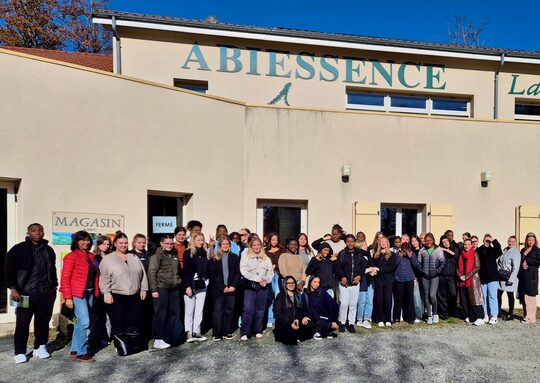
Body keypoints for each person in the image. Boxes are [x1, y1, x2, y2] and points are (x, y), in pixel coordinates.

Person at [5, 223, 58, 364]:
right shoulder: (19, 249)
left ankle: (40, 347)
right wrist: (13, 288)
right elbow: (8, 269)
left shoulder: (49, 250)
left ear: (44, 232)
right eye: (34, 230)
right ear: (28, 232)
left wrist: (54, 287)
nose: (38, 233)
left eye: (40, 230)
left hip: (46, 293)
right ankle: (20, 351)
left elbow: (52, 270)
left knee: (43, 321)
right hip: (25, 293)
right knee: (22, 322)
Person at [99, 232, 148, 338]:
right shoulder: (108, 259)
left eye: (125, 243)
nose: (123, 245)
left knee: (134, 320)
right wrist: (106, 293)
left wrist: (144, 289)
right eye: (120, 243)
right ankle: (120, 344)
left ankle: (133, 344)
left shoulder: (134, 257)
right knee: (119, 321)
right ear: (115, 244)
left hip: (135, 294)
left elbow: (142, 274)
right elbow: (104, 278)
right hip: (117, 295)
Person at [60, 230, 98, 362]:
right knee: (85, 321)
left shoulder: (91, 256)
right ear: (76, 242)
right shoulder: (71, 257)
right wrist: (68, 297)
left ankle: (75, 349)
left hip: (90, 292)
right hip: (78, 293)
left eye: (88, 240)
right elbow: (65, 278)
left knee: (81, 322)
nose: (86, 242)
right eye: (82, 240)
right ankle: (82, 352)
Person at [148, 235, 182, 349]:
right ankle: (158, 339)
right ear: (161, 244)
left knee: (174, 313)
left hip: (174, 289)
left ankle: (170, 336)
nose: (169, 245)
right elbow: (152, 272)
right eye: (166, 243)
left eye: (171, 243)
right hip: (161, 287)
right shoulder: (157, 256)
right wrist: (154, 290)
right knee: (161, 314)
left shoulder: (173, 255)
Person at [240, 237, 273, 341]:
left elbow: (270, 273)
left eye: (258, 245)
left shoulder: (266, 258)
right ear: (251, 246)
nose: (256, 247)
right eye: (254, 245)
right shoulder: (246, 257)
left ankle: (257, 330)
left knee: (260, 310)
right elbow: (244, 271)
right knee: (248, 309)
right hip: (251, 287)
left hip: (263, 287)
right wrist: (259, 279)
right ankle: (245, 332)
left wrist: (266, 280)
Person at [208, 237, 240, 341]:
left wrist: (233, 286)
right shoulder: (214, 258)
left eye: (227, 244)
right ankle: (217, 333)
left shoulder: (234, 257)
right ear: (219, 246)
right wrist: (223, 287)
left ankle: (227, 331)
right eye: (223, 244)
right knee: (218, 311)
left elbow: (237, 273)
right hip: (219, 289)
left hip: (231, 289)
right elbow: (212, 275)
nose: (225, 246)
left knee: (229, 310)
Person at [183, 233, 210, 342]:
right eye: (198, 240)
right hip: (191, 283)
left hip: (202, 283)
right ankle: (188, 333)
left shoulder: (204, 253)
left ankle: (197, 331)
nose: (200, 242)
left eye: (202, 240)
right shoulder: (188, 253)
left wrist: (206, 281)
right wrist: (187, 286)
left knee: (200, 309)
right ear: (193, 241)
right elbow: (186, 271)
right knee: (189, 309)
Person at [336, 234, 366, 333]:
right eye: (348, 241)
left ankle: (351, 323)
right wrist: (342, 277)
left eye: (352, 241)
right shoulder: (342, 253)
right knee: (344, 304)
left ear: (355, 242)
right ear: (345, 242)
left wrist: (359, 276)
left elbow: (363, 266)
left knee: (353, 304)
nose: (350, 243)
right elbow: (338, 267)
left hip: (355, 283)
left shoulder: (359, 253)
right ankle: (342, 322)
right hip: (344, 284)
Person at [88, 235, 111, 353]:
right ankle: (94, 339)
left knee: (108, 315)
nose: (106, 246)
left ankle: (105, 337)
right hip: (97, 289)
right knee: (97, 315)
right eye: (104, 244)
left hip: (109, 288)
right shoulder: (94, 257)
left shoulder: (111, 257)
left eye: (108, 244)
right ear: (98, 244)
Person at [272, 275, 311, 345]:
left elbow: (303, 309)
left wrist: (302, 317)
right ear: (285, 284)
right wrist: (290, 323)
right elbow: (278, 314)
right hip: (285, 323)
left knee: (311, 324)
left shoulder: (298, 295)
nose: (291, 284)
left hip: (297, 321)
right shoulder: (280, 296)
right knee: (290, 337)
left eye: (293, 283)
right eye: (289, 283)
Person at [417, 233, 446, 324]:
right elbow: (418, 263)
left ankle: (435, 314)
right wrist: (422, 271)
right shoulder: (422, 250)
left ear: (433, 240)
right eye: (426, 240)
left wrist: (437, 271)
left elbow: (443, 262)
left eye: (430, 240)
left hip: (434, 276)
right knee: (426, 295)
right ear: (424, 242)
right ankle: (429, 315)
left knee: (432, 295)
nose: (428, 242)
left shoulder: (438, 250)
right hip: (425, 276)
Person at [130, 233, 153, 342]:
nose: (142, 244)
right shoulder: (130, 255)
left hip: (148, 288)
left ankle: (147, 336)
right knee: (136, 313)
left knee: (148, 313)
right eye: (139, 242)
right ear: (134, 243)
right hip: (135, 288)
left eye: (144, 242)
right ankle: (136, 335)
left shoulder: (148, 255)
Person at [457, 238, 485, 326]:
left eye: (468, 244)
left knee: (475, 300)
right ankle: (471, 316)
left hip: (472, 281)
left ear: (471, 245)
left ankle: (480, 317)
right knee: (466, 300)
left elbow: (477, 267)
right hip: (463, 281)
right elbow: (457, 267)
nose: (466, 246)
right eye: (465, 244)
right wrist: (460, 276)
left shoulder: (475, 254)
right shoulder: (461, 255)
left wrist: (466, 276)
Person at [371, 236, 397, 327]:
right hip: (378, 280)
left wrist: (380, 269)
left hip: (388, 280)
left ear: (388, 243)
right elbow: (373, 265)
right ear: (379, 243)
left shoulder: (392, 255)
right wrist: (374, 269)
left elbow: (392, 267)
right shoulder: (375, 254)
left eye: (385, 242)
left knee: (388, 299)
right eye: (381, 242)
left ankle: (388, 319)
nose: (383, 243)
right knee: (379, 299)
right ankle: (380, 319)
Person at [476, 234, 502, 324]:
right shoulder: (479, 250)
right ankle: (485, 315)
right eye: (485, 240)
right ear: (483, 240)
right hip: (483, 278)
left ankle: (494, 316)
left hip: (493, 277)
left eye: (488, 240)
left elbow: (499, 251)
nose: (487, 242)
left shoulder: (493, 250)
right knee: (484, 297)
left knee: (493, 297)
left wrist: (493, 240)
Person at [393, 242, 418, 324]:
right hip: (399, 279)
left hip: (409, 279)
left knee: (410, 298)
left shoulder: (412, 254)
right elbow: (394, 265)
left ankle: (411, 317)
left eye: (407, 250)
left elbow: (416, 265)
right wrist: (400, 256)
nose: (405, 252)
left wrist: (410, 257)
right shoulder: (397, 254)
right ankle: (396, 317)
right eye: (404, 250)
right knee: (398, 299)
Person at [497, 236, 521, 321]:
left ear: (516, 242)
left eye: (513, 242)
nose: (511, 243)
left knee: (510, 295)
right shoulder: (505, 250)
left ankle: (510, 314)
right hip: (502, 275)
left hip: (509, 277)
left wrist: (511, 279)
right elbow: (500, 261)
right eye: (509, 241)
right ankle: (498, 312)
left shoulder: (516, 253)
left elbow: (516, 267)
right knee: (498, 293)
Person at [518, 232, 540, 324]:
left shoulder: (537, 250)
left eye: (532, 240)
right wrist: (522, 264)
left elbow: (539, 261)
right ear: (526, 240)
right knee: (524, 297)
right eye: (529, 240)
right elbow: (519, 260)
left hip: (531, 276)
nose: (530, 241)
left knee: (530, 297)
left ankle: (531, 317)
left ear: (535, 241)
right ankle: (526, 315)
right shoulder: (523, 250)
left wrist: (527, 260)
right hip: (523, 276)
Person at [265, 233, 285, 327]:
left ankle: (277, 318)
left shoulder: (282, 250)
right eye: (273, 240)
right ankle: (269, 318)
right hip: (268, 275)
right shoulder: (265, 251)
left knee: (277, 296)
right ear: (269, 240)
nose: (274, 242)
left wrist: (275, 266)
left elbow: (283, 262)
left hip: (278, 275)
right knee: (270, 296)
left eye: (276, 240)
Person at [437, 235, 459, 320]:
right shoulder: (440, 251)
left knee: (453, 294)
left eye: (446, 241)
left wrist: (446, 250)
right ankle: (445, 313)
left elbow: (455, 256)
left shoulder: (455, 249)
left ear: (449, 241)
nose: (445, 243)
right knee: (443, 296)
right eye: (443, 242)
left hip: (452, 277)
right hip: (442, 276)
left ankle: (451, 310)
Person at [355, 240, 374, 329]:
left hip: (369, 280)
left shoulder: (368, 254)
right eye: (365, 244)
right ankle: (359, 319)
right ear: (360, 245)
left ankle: (366, 319)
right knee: (362, 301)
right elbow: (357, 269)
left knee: (369, 300)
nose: (367, 245)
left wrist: (373, 269)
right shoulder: (357, 255)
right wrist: (368, 270)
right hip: (362, 280)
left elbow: (371, 264)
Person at [410, 234, 423, 322]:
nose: (414, 243)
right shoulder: (411, 252)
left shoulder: (423, 250)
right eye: (412, 241)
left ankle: (425, 313)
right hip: (415, 277)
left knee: (424, 296)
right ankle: (418, 315)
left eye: (415, 240)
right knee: (416, 296)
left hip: (424, 277)